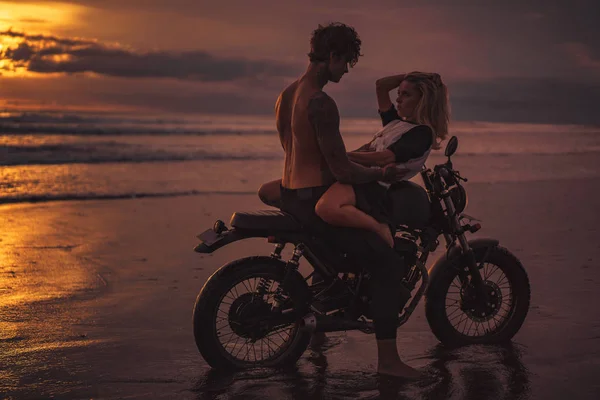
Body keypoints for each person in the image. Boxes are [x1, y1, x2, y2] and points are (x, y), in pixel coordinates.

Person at [271, 22, 421, 379]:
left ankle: (323, 319)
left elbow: (290, 148)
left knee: (339, 254)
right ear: (333, 56)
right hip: (312, 203)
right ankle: (389, 363)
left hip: (292, 194)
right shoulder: (322, 102)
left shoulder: (288, 94)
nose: (347, 70)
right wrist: (379, 175)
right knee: (387, 264)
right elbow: (341, 171)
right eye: (346, 62)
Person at [259, 71, 450, 247]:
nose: (398, 99)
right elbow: (381, 86)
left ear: (423, 101)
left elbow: (384, 158)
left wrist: (340, 155)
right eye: (399, 93)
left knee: (327, 208)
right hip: (355, 174)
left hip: (372, 185)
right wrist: (415, 76)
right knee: (268, 192)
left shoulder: (422, 133)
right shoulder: (395, 123)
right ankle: (314, 225)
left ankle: (378, 227)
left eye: (406, 95)